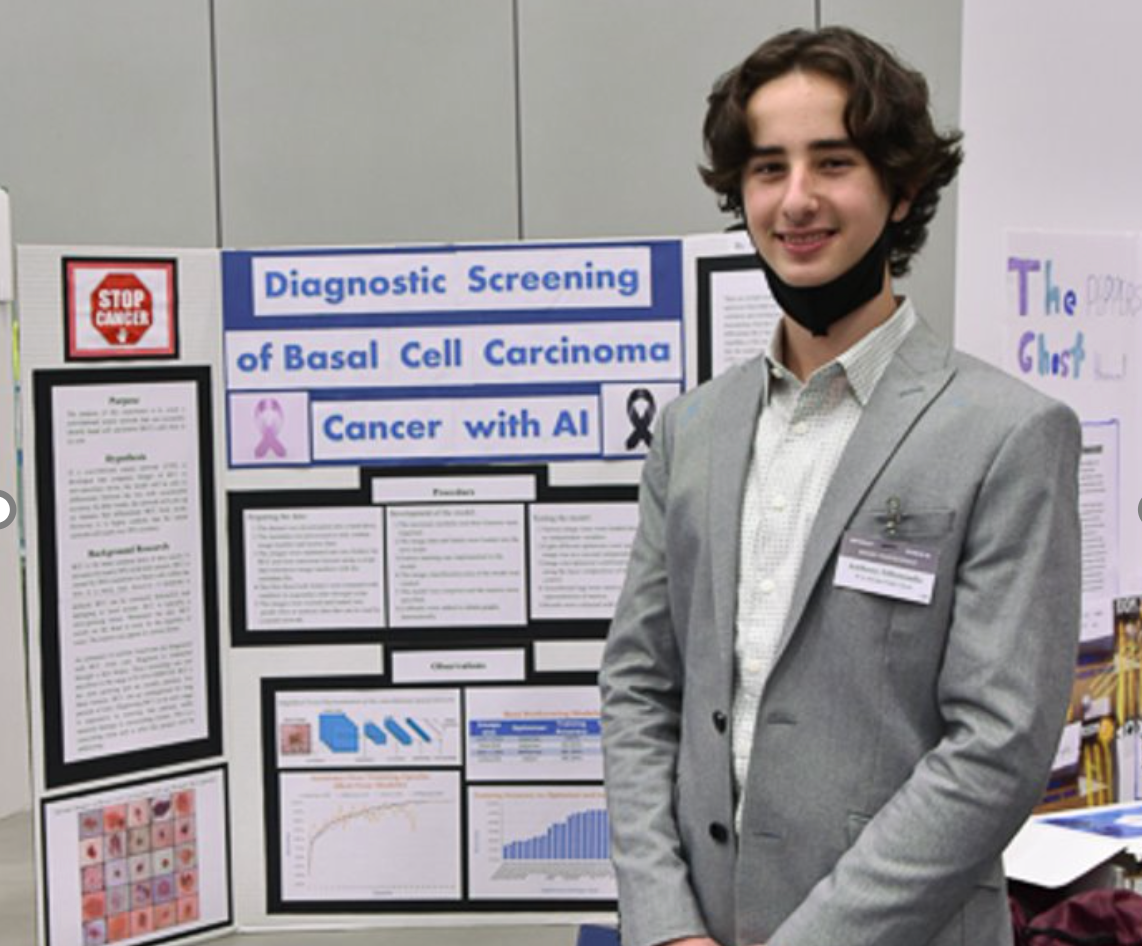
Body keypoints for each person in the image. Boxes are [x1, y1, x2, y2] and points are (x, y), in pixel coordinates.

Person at [599, 25, 1081, 946]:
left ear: (901, 190)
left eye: (834, 162)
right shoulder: (692, 430)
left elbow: (999, 748)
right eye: (768, 168)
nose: (797, 200)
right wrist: (665, 921)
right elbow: (638, 686)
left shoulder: (1008, 433)